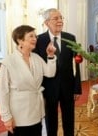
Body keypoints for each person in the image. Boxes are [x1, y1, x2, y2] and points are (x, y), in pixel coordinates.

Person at [0, 25, 57, 136]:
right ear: (20, 40)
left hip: (36, 111)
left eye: (35, 36)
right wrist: (6, 117)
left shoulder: (36, 57)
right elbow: (3, 92)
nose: (35, 38)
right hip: (18, 114)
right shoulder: (8, 62)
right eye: (31, 36)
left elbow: (50, 73)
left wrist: (50, 56)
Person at [34, 8, 82, 136]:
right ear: (46, 22)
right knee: (50, 121)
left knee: (69, 119)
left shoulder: (70, 38)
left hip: (68, 87)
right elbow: (36, 67)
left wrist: (77, 88)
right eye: (56, 18)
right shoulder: (39, 40)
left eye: (61, 18)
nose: (60, 21)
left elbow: (76, 64)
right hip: (48, 88)